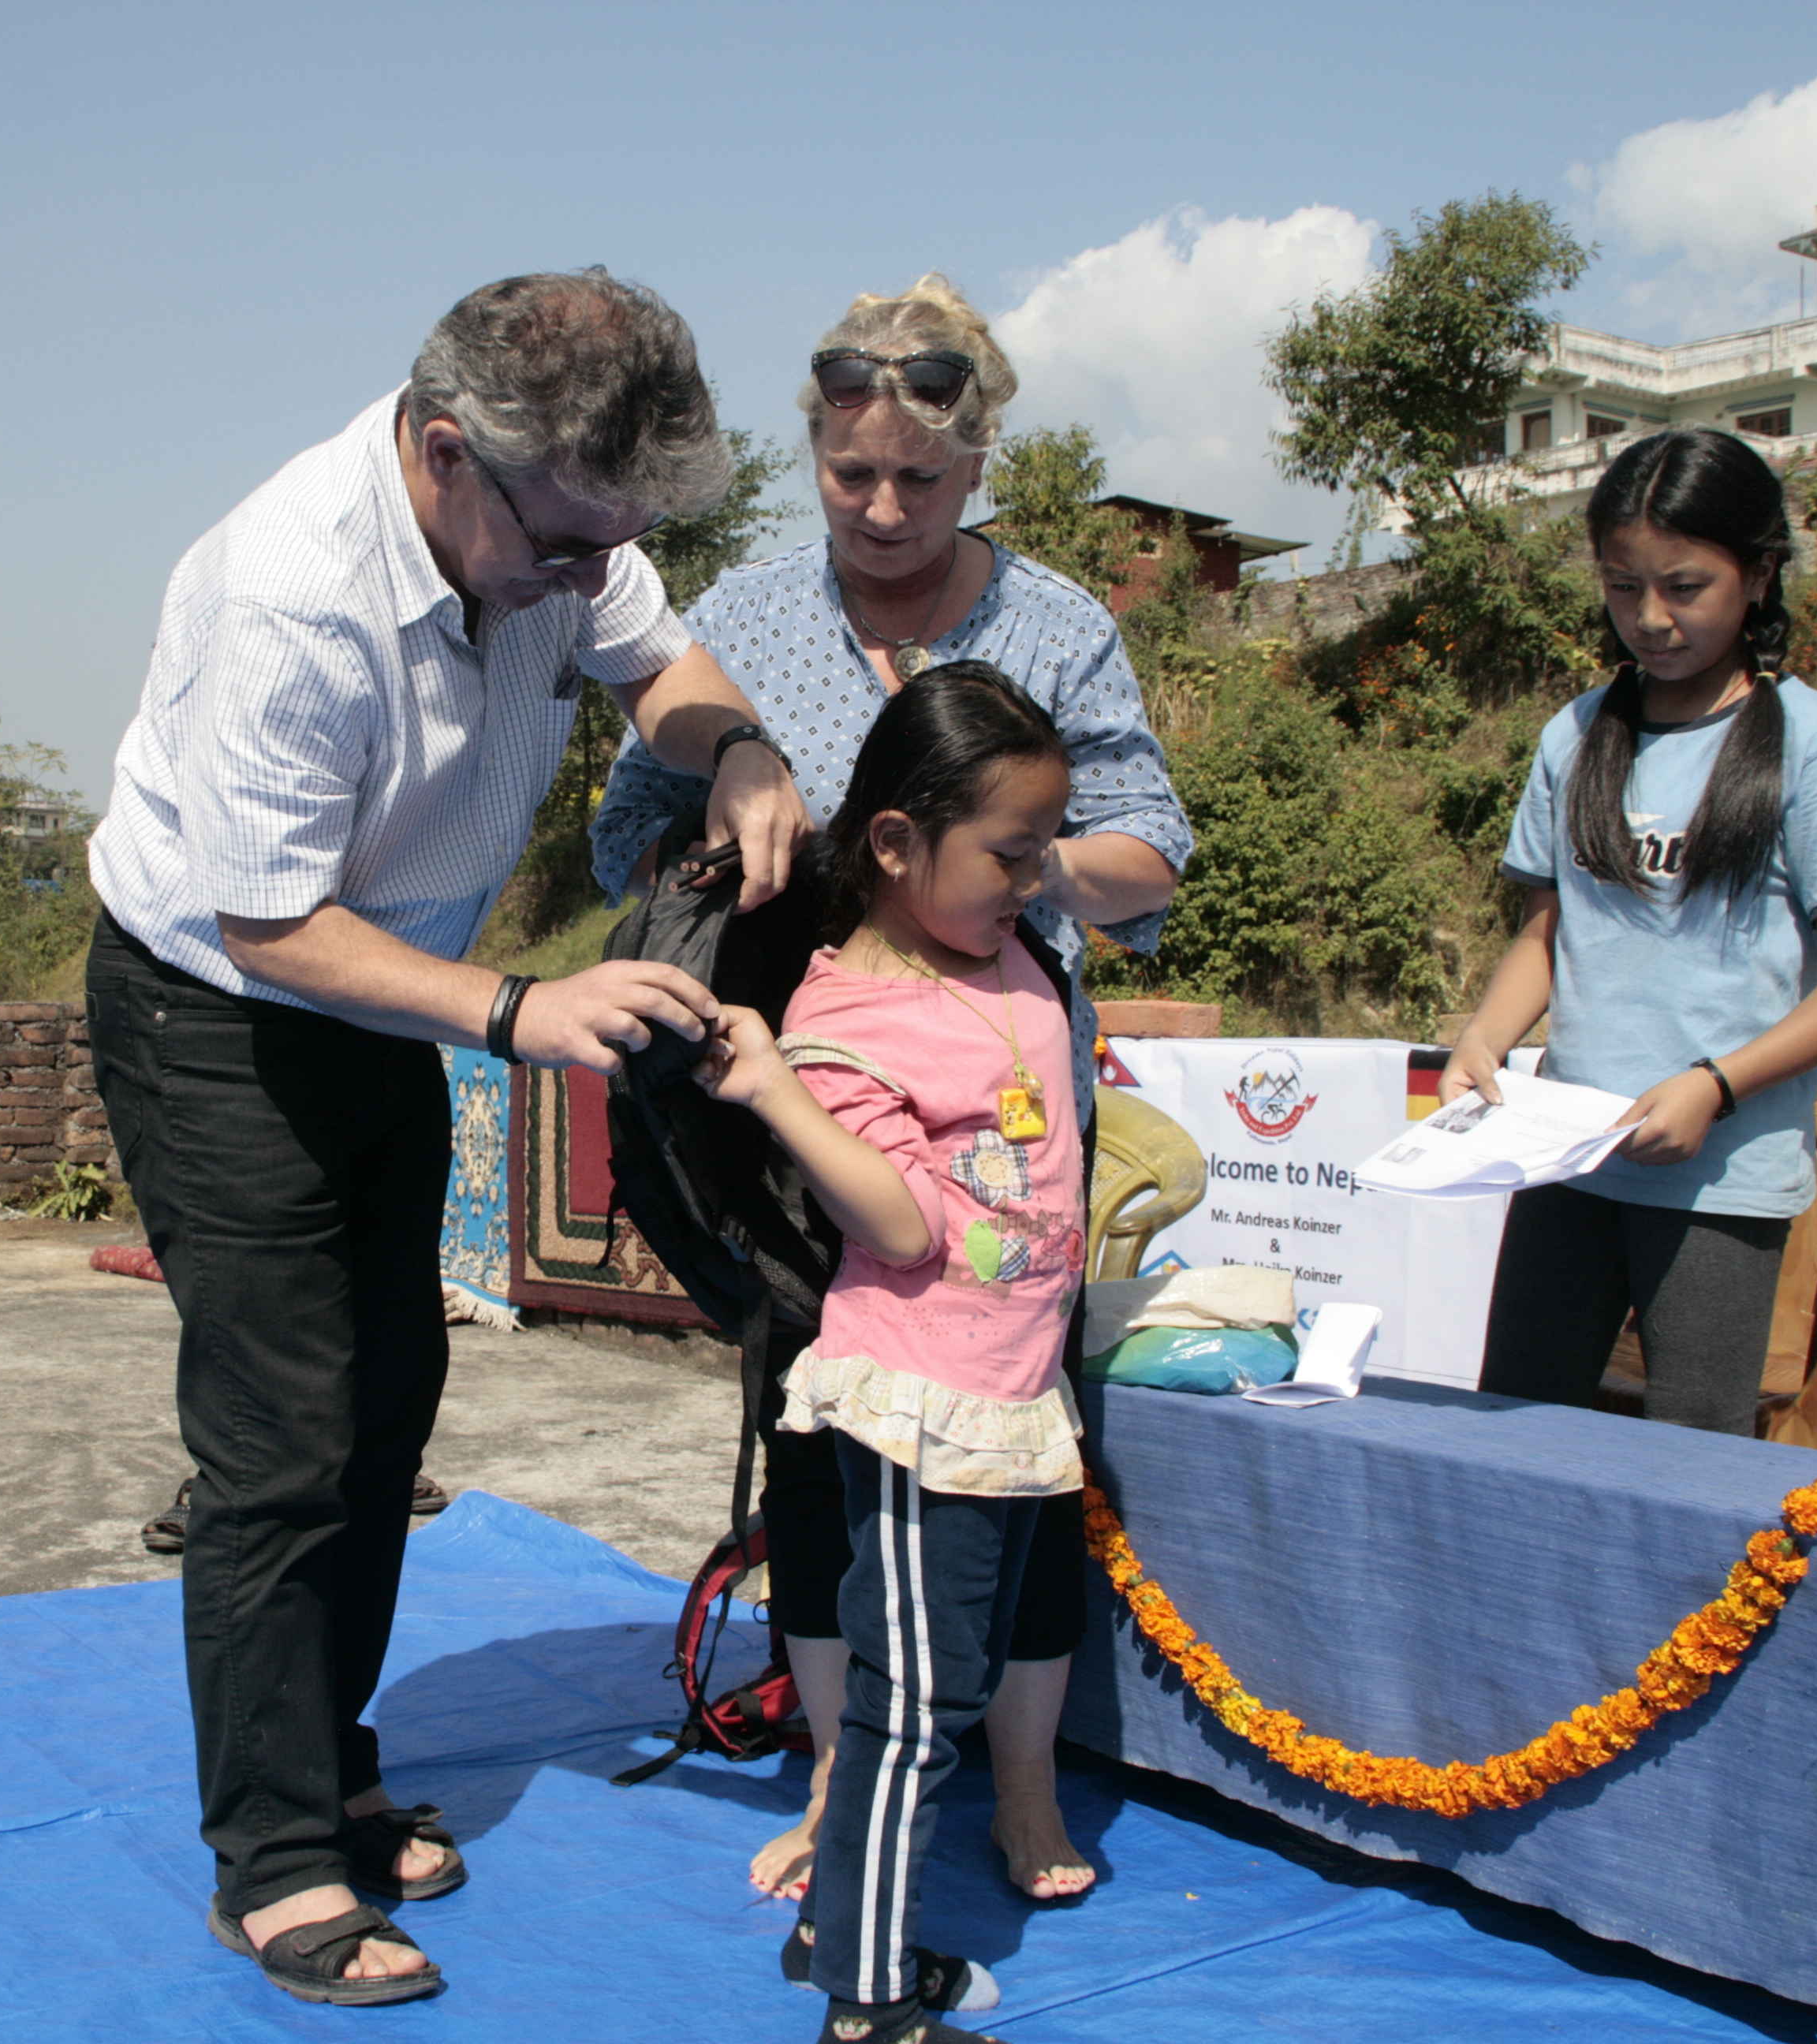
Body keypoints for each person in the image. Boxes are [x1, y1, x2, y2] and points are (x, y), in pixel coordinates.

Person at [81, 270, 811, 2008]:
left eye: (607, 542)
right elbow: (268, 927)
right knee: (281, 1433)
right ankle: (269, 1863)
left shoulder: (559, 513)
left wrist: (742, 750)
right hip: (224, 1011)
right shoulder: (290, 597)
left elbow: (663, 661)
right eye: (564, 544)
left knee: (387, 1397)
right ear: (439, 452)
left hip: (378, 996)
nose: (587, 578)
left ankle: (327, 1765)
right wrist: (516, 1011)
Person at [589, 275, 1187, 1904]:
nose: (881, 509)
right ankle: (844, 1778)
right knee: (820, 1437)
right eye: (849, 475)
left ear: (981, 455)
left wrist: (1020, 867)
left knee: (1019, 1447)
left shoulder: (1056, 628)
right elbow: (617, 838)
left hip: (1001, 1110)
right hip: (800, 1103)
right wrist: (722, 811)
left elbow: (1156, 861)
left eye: (920, 481)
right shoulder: (752, 620)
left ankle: (1022, 1790)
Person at [698, 667, 1084, 2044]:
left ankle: (832, 1929)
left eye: (1044, 847)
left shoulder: (992, 946)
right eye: (1010, 852)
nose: (1035, 879)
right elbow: (902, 1215)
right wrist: (779, 1093)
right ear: (894, 843)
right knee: (914, 1708)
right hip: (925, 1405)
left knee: (940, 1686)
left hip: (1008, 1387)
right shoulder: (846, 1016)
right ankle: (865, 2008)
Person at [1442, 426, 1817, 1432]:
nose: (1650, 619)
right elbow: (1543, 935)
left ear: (1761, 574)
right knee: (1516, 1425)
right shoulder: (1576, 734)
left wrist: (1716, 1086)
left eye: (1684, 587)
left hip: (1720, 1181)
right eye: (1622, 587)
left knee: (1693, 1450)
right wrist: (1487, 1037)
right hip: (1566, 1161)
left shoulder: (1813, 745)